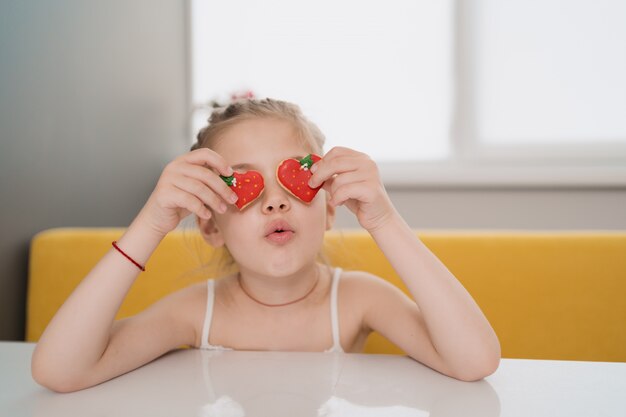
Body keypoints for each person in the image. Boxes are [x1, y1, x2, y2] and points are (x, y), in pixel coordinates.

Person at [31, 98, 500, 393]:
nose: (275, 203)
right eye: (249, 186)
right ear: (211, 227)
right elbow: (60, 371)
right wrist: (152, 223)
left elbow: (475, 361)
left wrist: (382, 218)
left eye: (292, 182)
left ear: (331, 208)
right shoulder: (197, 312)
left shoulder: (359, 299)